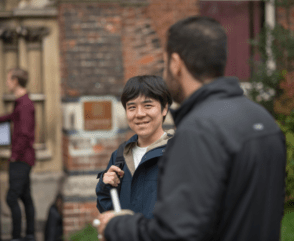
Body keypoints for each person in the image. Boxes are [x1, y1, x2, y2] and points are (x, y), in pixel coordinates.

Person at [95, 16, 287, 241]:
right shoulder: (263, 119)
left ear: (176, 63)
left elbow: (176, 234)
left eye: (165, 64)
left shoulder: (199, 131)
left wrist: (117, 227)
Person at [95, 75, 174, 219]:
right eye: (132, 107)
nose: (139, 114)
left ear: (164, 109)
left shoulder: (178, 152)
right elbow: (109, 211)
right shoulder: (120, 156)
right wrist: (105, 187)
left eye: (148, 106)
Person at [0, 68, 36, 241]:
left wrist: (14, 155)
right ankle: (30, 235)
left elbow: (25, 134)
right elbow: (11, 116)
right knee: (25, 196)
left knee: (11, 198)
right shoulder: (22, 102)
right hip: (23, 157)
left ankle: (17, 237)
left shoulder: (25, 104)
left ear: (16, 81)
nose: (7, 83)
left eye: (8, 79)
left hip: (21, 159)